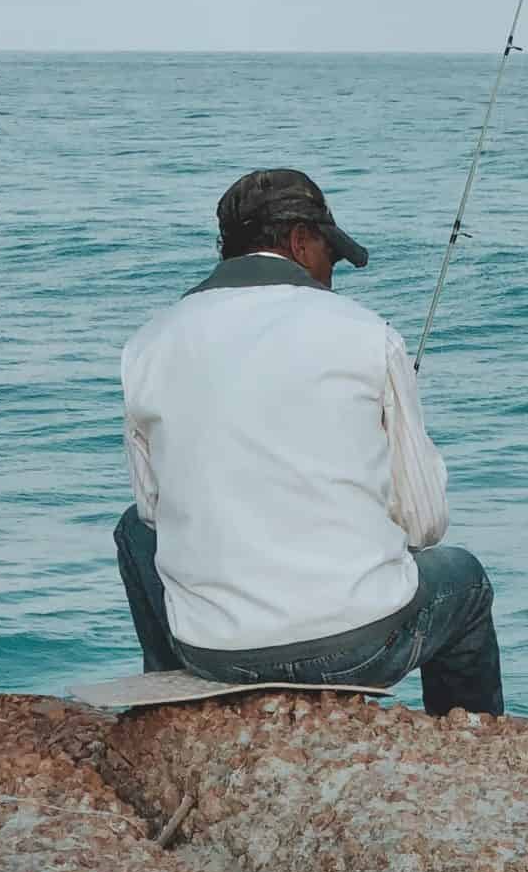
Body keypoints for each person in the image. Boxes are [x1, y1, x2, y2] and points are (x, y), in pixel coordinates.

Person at [113, 167, 504, 715]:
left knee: (132, 529)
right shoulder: (368, 334)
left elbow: (153, 514)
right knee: (465, 581)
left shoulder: (147, 344)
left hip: (211, 652)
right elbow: (426, 522)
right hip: (356, 650)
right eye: (329, 256)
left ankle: (180, 708)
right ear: (300, 242)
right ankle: (471, 748)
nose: (332, 274)